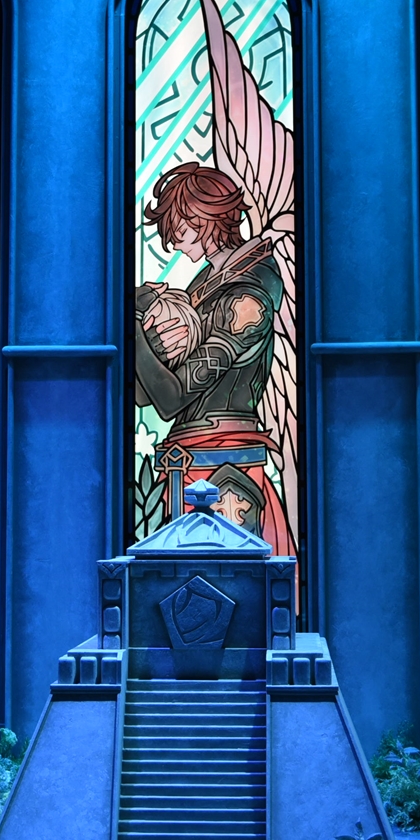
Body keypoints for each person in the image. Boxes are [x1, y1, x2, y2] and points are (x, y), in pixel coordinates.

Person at [133, 161, 293, 551]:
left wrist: (134, 326)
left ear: (203, 220)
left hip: (224, 468)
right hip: (188, 459)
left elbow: (171, 399)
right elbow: (143, 394)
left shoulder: (247, 299)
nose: (174, 244)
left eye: (179, 231)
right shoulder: (206, 284)